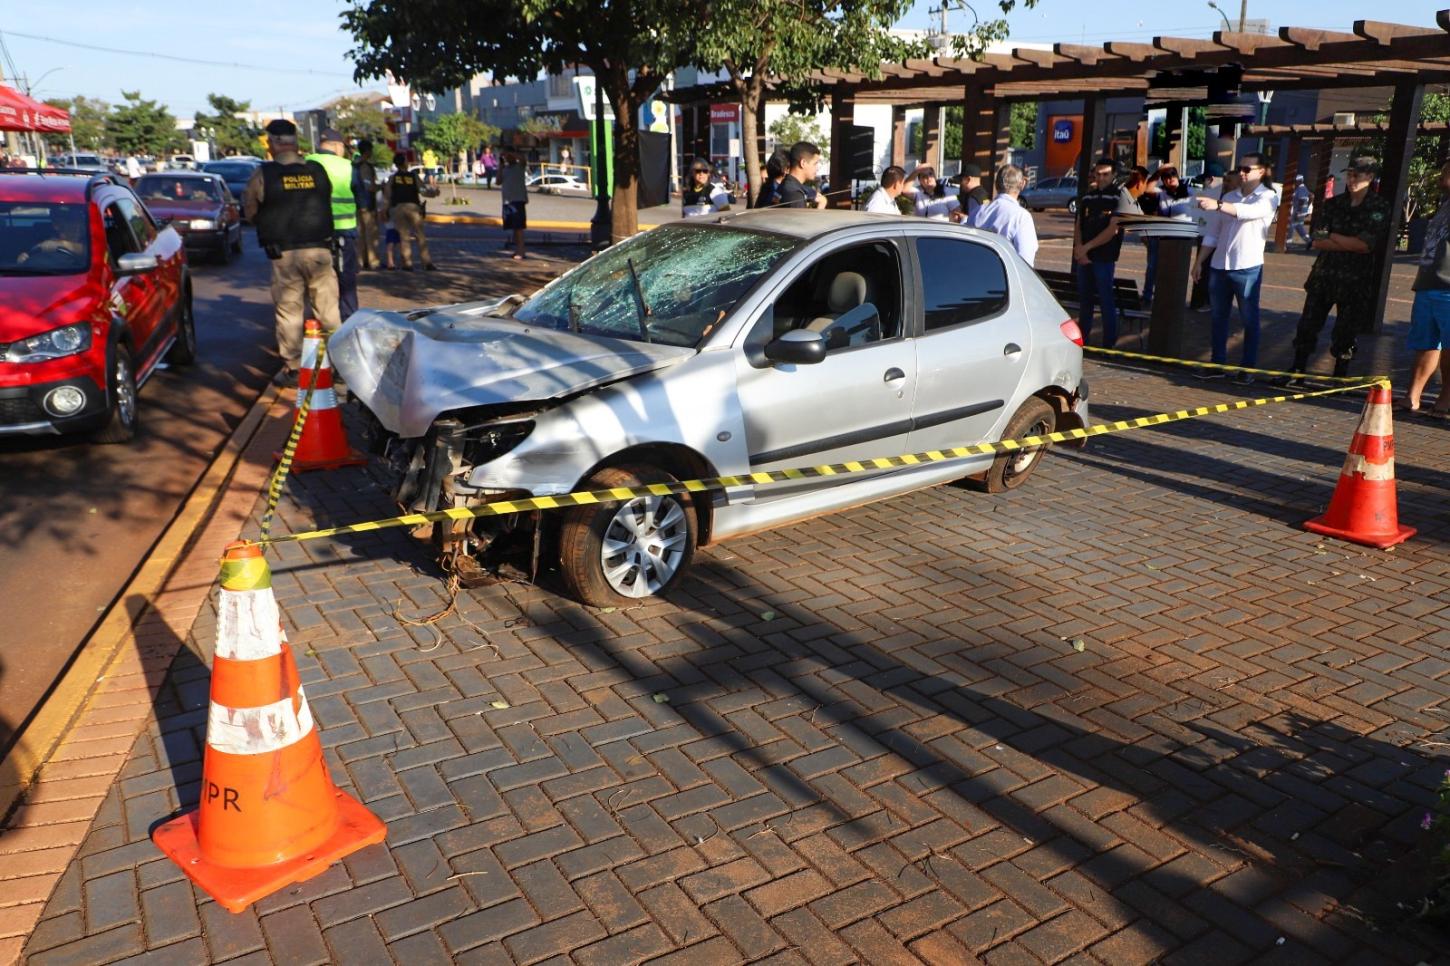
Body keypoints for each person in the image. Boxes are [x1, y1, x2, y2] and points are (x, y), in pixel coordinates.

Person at [242, 118, 339, 387]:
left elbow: (250, 210)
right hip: (320, 249)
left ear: (273, 143)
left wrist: (266, 220)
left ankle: (295, 368)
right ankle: (339, 364)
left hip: (284, 253)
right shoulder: (317, 170)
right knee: (329, 308)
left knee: (289, 312)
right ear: (296, 142)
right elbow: (325, 199)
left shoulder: (264, 174)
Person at [1286, 157, 1392, 382]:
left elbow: (1364, 245)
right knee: (1307, 326)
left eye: (1358, 175)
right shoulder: (1334, 204)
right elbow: (1317, 239)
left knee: (1346, 331)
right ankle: (1297, 370)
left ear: (1370, 178)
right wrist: (1345, 240)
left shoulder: (1378, 207)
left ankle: (1339, 377)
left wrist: (1333, 236)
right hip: (1324, 275)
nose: (1351, 179)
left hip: (1355, 280)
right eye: (1350, 174)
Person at [1193, 152, 1278, 380]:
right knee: (1218, 317)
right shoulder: (1231, 195)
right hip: (1220, 265)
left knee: (1249, 319)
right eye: (1240, 168)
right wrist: (1199, 262)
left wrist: (1218, 204)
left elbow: (1247, 213)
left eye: (1247, 169)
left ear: (1262, 171)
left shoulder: (1268, 196)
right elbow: (1213, 233)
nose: (1242, 172)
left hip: (1247, 266)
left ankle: (1247, 368)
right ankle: (1217, 364)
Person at [1073, 158, 1140, 348]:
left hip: (1104, 257)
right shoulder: (1087, 197)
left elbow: (1113, 230)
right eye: (1098, 174)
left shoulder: (1120, 197)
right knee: (1085, 301)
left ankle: (1108, 344)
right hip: (1084, 257)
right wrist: (1079, 249)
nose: (1100, 178)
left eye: (1105, 174)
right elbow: (1079, 225)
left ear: (1113, 175)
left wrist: (1086, 248)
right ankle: (1082, 340)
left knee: (1105, 301)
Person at [1405, 161, 1450, 416]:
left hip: (1448, 286)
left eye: (1447, 173)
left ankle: (1445, 398)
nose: (1442, 177)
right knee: (1425, 343)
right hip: (1427, 283)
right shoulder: (1444, 205)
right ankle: (1413, 396)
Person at [306, 128, 361, 320]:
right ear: (337, 146)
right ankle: (348, 317)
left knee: (318, 278)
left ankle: (321, 318)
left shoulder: (307, 164)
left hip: (314, 231)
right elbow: (361, 197)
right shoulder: (347, 166)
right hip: (344, 230)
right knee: (346, 277)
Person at [1140, 165, 1192, 306]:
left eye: (1172, 176)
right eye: (1166, 178)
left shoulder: (1189, 191)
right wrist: (1158, 172)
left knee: (1176, 269)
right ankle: (1147, 295)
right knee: (1153, 267)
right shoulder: (1162, 193)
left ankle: (1171, 297)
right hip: (1161, 235)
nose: (1170, 180)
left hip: (1180, 237)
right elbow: (1148, 189)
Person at [971, 165, 1038, 265]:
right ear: (1022, 184)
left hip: (974, 273)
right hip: (1003, 277)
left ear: (996, 185)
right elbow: (1025, 262)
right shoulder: (1021, 217)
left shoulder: (977, 211)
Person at [384, 159, 437, 271]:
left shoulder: (393, 178)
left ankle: (407, 263)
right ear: (404, 164)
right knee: (420, 235)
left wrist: (386, 209)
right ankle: (427, 262)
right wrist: (433, 193)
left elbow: (388, 195)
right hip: (413, 207)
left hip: (398, 208)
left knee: (404, 237)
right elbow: (423, 190)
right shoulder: (413, 176)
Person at [354, 139, 380, 271]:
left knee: (359, 234)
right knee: (371, 234)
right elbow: (369, 186)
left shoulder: (353, 165)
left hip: (356, 204)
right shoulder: (366, 167)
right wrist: (380, 187)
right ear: (368, 151)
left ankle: (360, 260)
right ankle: (372, 261)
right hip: (367, 204)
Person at [777, 142, 828, 209]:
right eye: (815, 164)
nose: (817, 168)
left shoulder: (788, 184)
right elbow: (801, 220)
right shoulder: (795, 194)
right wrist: (822, 204)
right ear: (803, 163)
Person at [499, 150, 528, 259]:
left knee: (519, 227)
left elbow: (523, 160)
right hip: (507, 201)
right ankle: (517, 250)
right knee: (513, 227)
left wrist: (512, 153)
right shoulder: (505, 169)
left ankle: (521, 251)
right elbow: (498, 181)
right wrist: (500, 165)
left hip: (518, 200)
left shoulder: (520, 167)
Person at [1289, 174, 1314, 250]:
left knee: (1291, 226)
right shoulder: (1304, 188)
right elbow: (1311, 195)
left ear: (1299, 181)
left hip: (1298, 211)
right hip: (1301, 211)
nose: (1295, 182)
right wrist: (1307, 205)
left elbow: (1302, 199)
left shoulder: (1300, 189)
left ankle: (1287, 244)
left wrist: (1299, 211)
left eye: (1295, 181)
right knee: (1298, 227)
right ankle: (1309, 241)